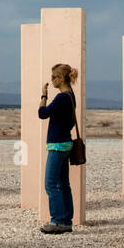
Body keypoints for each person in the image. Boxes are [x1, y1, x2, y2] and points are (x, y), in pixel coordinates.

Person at [37, 63, 78, 233]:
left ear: (61, 78)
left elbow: (42, 113)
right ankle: (67, 220)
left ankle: (57, 221)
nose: (51, 80)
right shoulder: (71, 96)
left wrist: (43, 96)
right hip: (66, 144)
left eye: (53, 77)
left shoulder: (61, 97)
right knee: (63, 184)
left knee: (50, 184)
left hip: (57, 145)